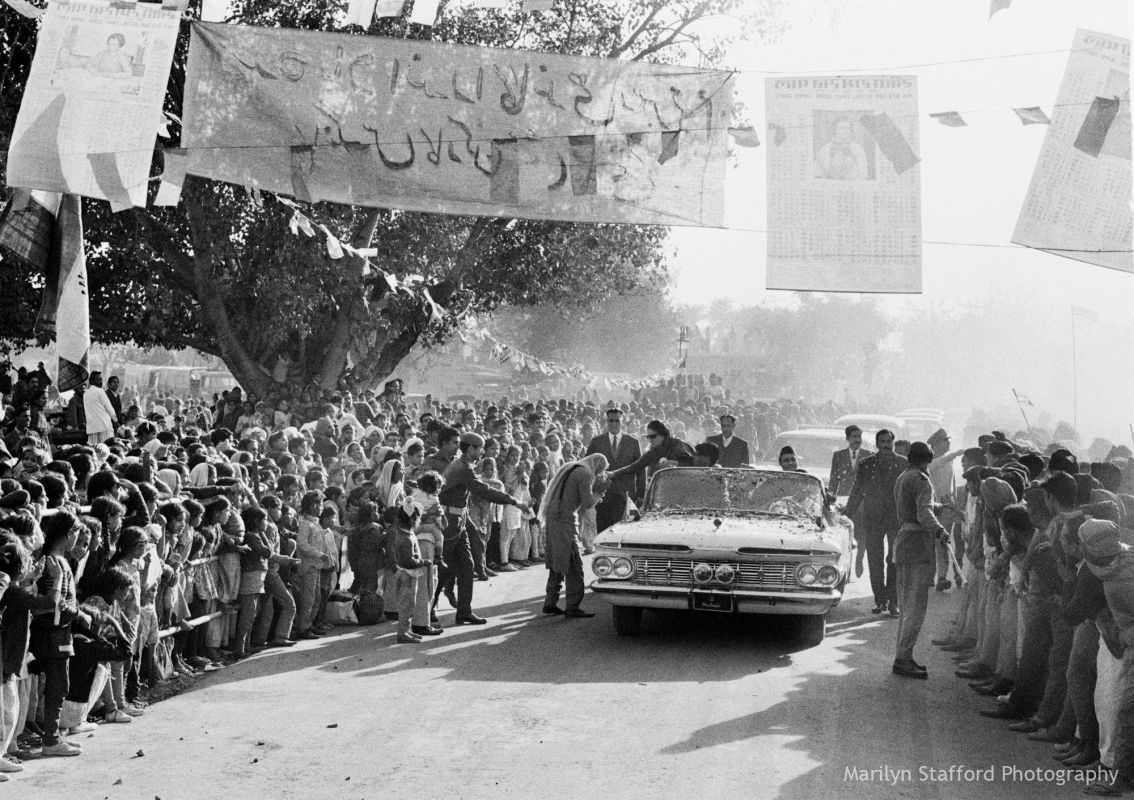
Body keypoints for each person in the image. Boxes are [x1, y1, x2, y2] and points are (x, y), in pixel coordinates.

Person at [437, 432, 527, 625]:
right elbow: (483, 490)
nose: (482, 452)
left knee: (467, 566)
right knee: (444, 567)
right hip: (450, 521)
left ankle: (464, 612)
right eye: (479, 448)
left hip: (458, 519)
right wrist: (514, 501)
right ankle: (429, 610)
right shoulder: (463, 468)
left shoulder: (463, 465)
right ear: (470, 448)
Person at [891, 441, 950, 679]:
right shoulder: (923, 480)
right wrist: (939, 530)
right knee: (916, 608)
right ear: (927, 461)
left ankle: (902, 655)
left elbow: (918, 507)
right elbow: (923, 512)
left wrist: (937, 506)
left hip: (903, 543)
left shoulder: (903, 477)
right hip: (918, 546)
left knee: (906, 606)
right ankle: (903, 658)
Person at [846, 430, 907, 614]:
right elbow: (857, 491)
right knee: (875, 559)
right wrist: (847, 512)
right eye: (883, 441)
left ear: (893, 443)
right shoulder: (866, 465)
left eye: (889, 441)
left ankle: (893, 601)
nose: (886, 444)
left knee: (895, 559)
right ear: (877, 444)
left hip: (895, 518)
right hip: (872, 518)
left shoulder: (903, 463)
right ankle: (879, 599)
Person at [540, 454, 608, 618]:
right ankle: (572, 606)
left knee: (558, 561)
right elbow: (587, 504)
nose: (599, 473)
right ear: (597, 466)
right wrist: (599, 492)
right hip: (565, 521)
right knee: (574, 565)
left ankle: (550, 601)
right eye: (601, 470)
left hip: (554, 517)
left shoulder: (572, 467)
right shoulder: (585, 473)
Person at [585, 407, 645, 534]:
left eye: (617, 421)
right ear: (606, 422)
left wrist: (640, 495)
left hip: (625, 495)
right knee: (603, 532)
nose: (613, 424)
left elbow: (640, 469)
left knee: (624, 532)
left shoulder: (632, 442)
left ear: (622, 421)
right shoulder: (597, 442)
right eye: (610, 421)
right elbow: (587, 466)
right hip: (603, 495)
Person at [814, 116, 869, 180]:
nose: (845, 131)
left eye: (848, 128)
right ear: (835, 130)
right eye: (841, 128)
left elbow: (863, 174)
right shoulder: (825, 149)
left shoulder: (858, 148)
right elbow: (817, 173)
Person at [828, 425, 869, 498]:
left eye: (859, 436)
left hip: (863, 499)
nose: (857, 440)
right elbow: (834, 480)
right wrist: (831, 497)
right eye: (854, 437)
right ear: (847, 438)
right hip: (843, 498)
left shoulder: (869, 455)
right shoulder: (839, 456)